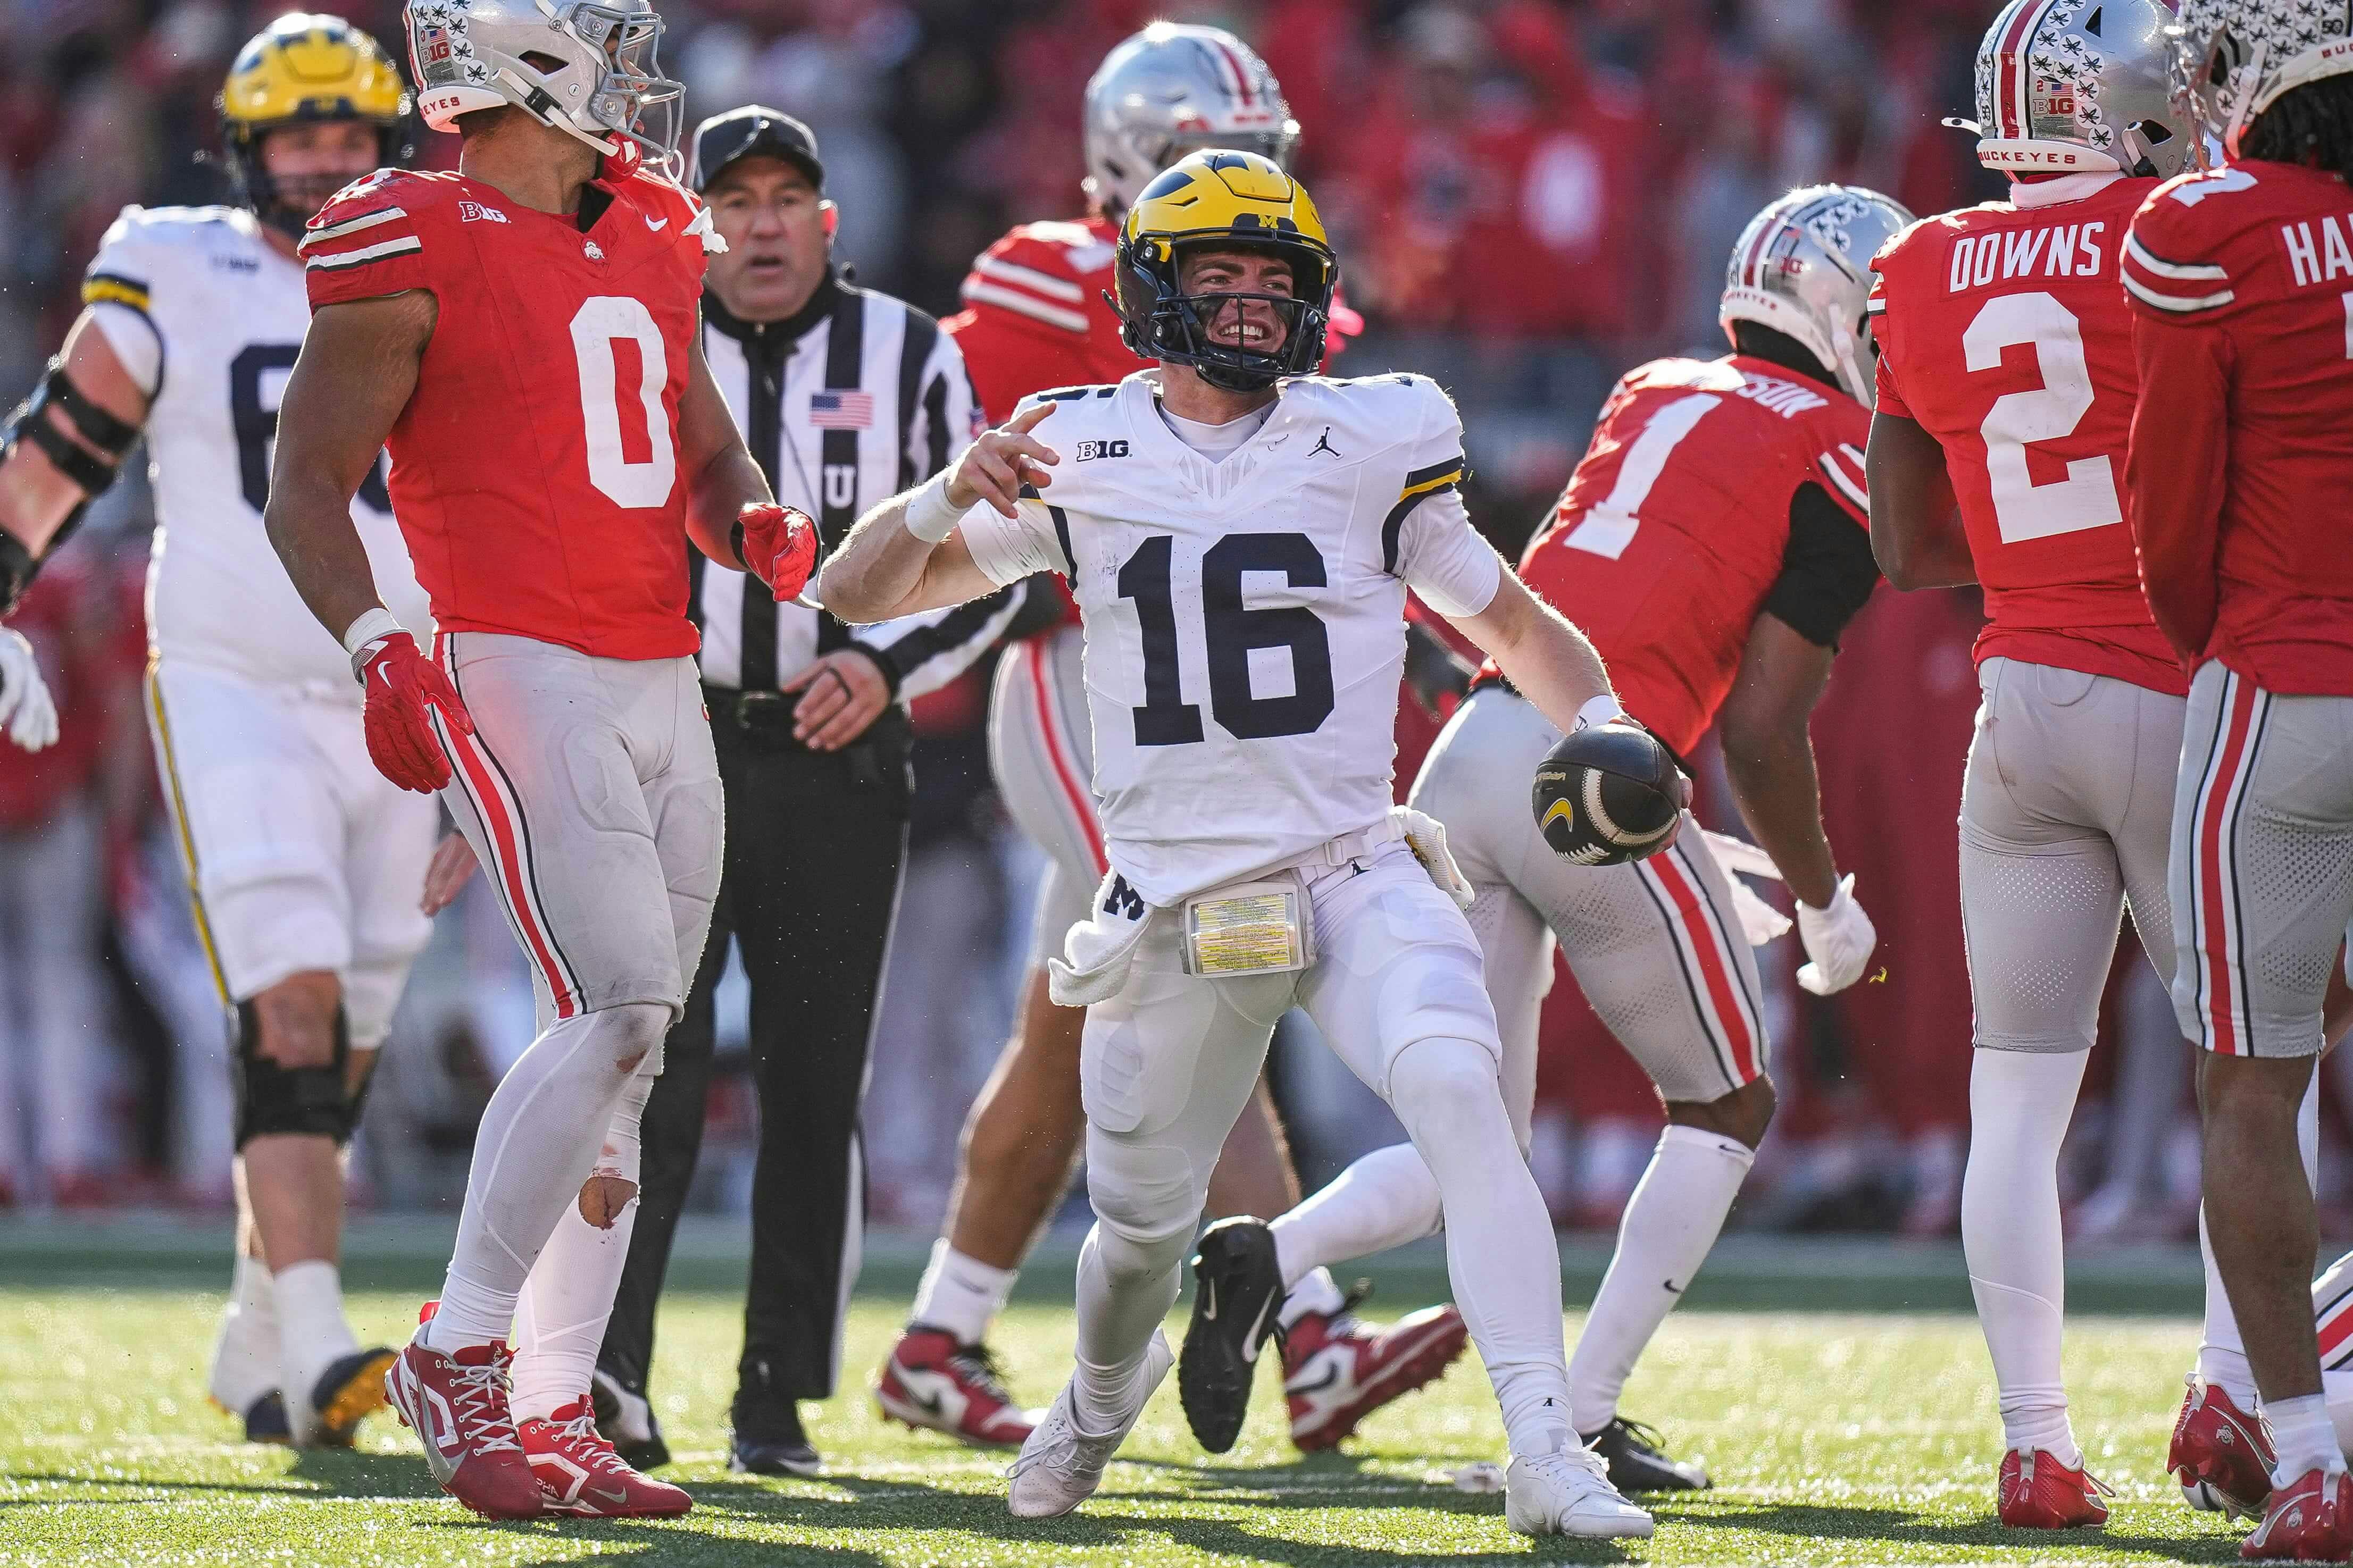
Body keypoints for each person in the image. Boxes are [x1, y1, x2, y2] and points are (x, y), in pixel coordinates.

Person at [819, 147, 1657, 1541]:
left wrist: (1613, 724)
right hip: (1174, 902)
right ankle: (1092, 1406)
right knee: (1140, 1233)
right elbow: (859, 591)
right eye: (1223, 275)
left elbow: (1509, 623)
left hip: (1351, 863)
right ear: (1156, 287)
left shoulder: (1374, 432)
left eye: (1277, 279)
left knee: (1461, 1089)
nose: (1256, 303)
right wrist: (938, 493)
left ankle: (1544, 1444)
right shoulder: (1073, 446)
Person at [1192, 183, 1903, 1494]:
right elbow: (1758, 731)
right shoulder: (1837, 447)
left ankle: (1269, 1258)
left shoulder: (1652, 390)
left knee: (1481, 1136)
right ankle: (1582, 1411)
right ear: (1841, 304)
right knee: (1731, 1096)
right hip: (1600, 767)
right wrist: (1821, 905)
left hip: (1475, 744)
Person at [879, 20, 1465, 1460]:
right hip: (1090, 676)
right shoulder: (1049, 269)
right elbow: (980, 460)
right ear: (1132, 163)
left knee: (1069, 1027)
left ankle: (941, 1337)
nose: (1248, 203)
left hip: (1208, 698)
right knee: (1225, 957)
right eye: (1221, 163)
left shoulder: (1269, 287)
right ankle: (1312, 1324)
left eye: (1264, 167)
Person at [263, 0, 814, 1522]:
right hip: (514, 650)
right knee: (623, 997)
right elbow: (306, 485)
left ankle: (562, 1407)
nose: (636, 86)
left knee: (632, 1053)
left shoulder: (646, 223)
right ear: (529, 69)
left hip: (657, 658)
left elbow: (699, 448)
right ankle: (459, 1347)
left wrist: (748, 520)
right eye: (609, 53)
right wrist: (380, 640)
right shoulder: (406, 230)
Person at [0, 13, 436, 1449]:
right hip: (237, 678)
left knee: (354, 1028)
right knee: (293, 996)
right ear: (245, 148)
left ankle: (258, 1328)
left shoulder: (445, 256)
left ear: (389, 143)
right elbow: (73, 431)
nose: (323, 161)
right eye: (297, 135)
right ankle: (316, 1339)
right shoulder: (178, 262)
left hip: (404, 694)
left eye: (347, 133)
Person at [589, 105, 1019, 1479]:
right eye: (735, 199)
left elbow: (993, 552)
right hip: (677, 736)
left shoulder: (913, 352)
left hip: (839, 751)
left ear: (829, 219)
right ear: (694, 219)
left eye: (787, 197)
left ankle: (776, 1394)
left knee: (815, 1075)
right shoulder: (633, 335)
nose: (761, 223)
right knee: (639, 1065)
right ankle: (609, 1372)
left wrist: (883, 664)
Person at [1864, 0, 2202, 1527]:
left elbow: (1907, 541)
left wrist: (2032, 564)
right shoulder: (2179, 230)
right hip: (2184, 684)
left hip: (2024, 695)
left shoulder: (1919, 264)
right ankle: (2251, 1404)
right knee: (2257, 1083)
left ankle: (2038, 1443)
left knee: (2018, 1097)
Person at [2123, 6, 2353, 1556]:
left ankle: (2312, 1455)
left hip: (2282, 681)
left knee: (2251, 1079)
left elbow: (2172, 497)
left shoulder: (2206, 226)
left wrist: (2219, 644)